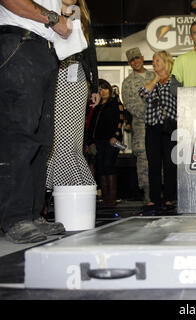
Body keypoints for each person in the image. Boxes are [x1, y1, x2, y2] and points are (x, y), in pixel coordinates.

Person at [0, 0, 72, 243]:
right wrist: (53, 18)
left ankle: (31, 214)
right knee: (20, 134)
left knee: (42, 139)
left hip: (45, 47)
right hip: (20, 41)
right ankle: (15, 216)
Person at [46, 0, 99, 191]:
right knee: (60, 134)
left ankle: (71, 187)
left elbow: (91, 53)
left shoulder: (82, 16)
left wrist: (95, 87)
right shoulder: (49, 10)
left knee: (75, 135)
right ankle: (58, 185)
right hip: (57, 74)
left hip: (79, 77)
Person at [139, 51, 177, 213]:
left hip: (170, 127)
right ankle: (154, 198)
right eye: (153, 61)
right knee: (153, 164)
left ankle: (169, 198)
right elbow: (143, 93)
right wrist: (155, 79)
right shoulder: (152, 82)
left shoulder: (175, 81)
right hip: (153, 127)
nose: (154, 63)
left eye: (157, 60)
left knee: (170, 164)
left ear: (166, 62)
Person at [121, 47, 155, 205]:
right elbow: (129, 104)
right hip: (141, 124)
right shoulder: (127, 82)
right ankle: (147, 193)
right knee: (143, 157)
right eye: (132, 60)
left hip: (158, 123)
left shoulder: (154, 75)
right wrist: (148, 113)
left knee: (158, 155)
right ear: (129, 63)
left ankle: (160, 191)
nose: (135, 62)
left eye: (137, 58)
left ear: (142, 58)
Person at [86, 79, 125, 207]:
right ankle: (105, 197)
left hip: (111, 140)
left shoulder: (115, 103)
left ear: (109, 89)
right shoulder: (96, 106)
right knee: (100, 168)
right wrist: (90, 142)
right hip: (98, 141)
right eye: (100, 89)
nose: (102, 91)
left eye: (104, 88)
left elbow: (120, 119)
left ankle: (112, 197)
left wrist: (116, 135)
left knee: (109, 166)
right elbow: (91, 125)